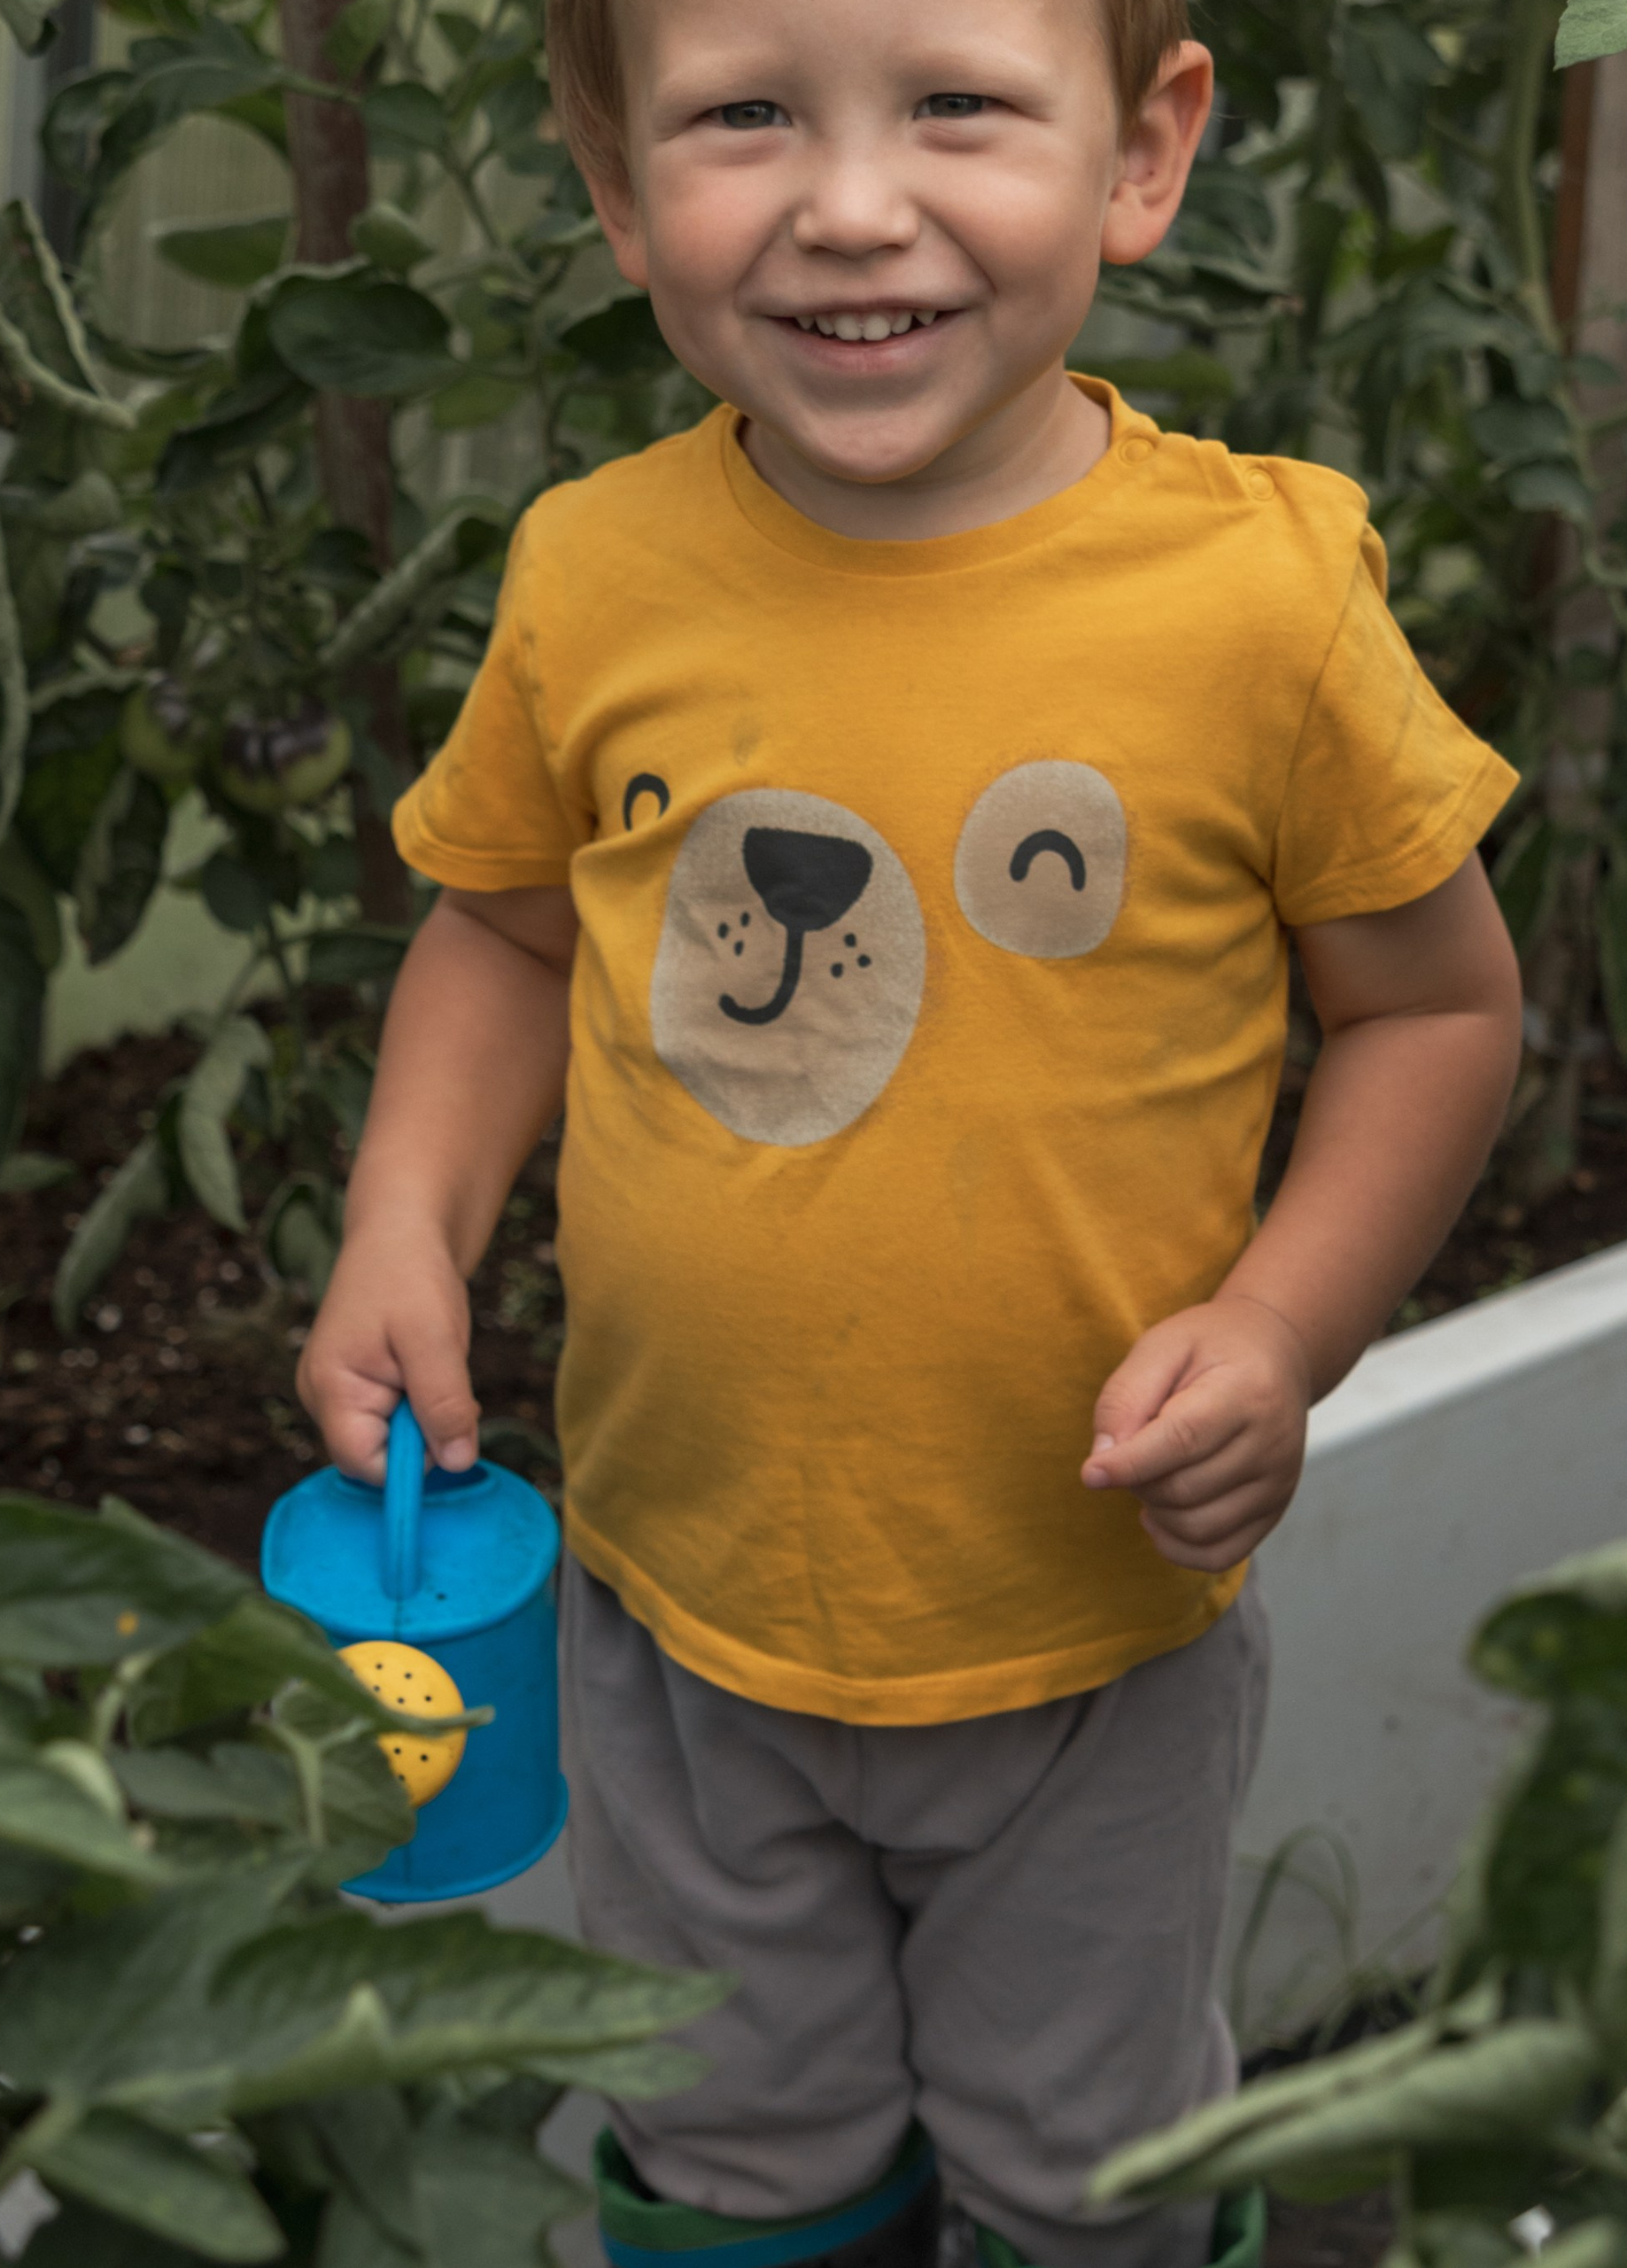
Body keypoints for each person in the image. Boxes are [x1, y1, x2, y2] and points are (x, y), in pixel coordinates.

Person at [296, 0, 1525, 2257]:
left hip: (1079, 1633)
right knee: (727, 2148)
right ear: (609, 172)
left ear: (1142, 152)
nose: (850, 204)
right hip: (673, 1617)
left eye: (953, 102)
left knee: (1088, 2173)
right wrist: (405, 1209)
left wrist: (1281, 1327)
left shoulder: (1249, 601)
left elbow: (1435, 1011)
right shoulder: (599, 571)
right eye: (743, 113)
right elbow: (498, 936)